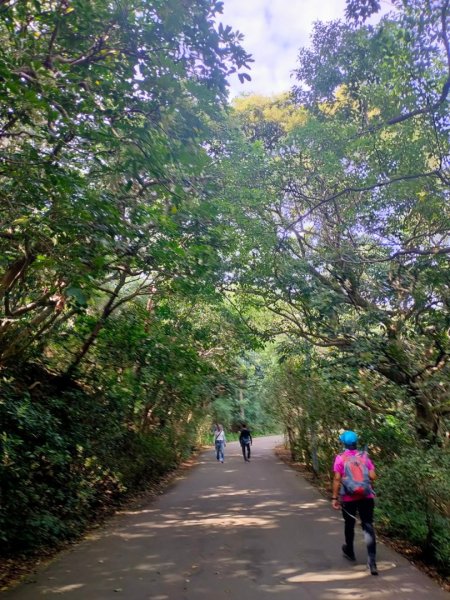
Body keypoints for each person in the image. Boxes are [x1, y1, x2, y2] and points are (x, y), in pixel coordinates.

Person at [331, 430, 378, 575]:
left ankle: (350, 551)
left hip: (348, 498)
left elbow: (337, 479)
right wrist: (363, 484)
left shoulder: (340, 458)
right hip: (366, 496)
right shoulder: (364, 457)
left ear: (343, 444)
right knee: (367, 525)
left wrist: (334, 498)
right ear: (356, 443)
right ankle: (372, 562)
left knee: (349, 524)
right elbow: (373, 476)